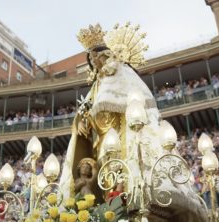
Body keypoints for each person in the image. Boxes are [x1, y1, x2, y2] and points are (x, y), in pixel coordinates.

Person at [59, 23, 161, 200]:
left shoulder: (121, 73)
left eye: (97, 56)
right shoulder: (96, 86)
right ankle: (110, 205)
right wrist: (82, 122)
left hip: (120, 131)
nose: (95, 61)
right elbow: (87, 110)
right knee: (105, 172)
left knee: (121, 168)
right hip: (100, 137)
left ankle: (126, 200)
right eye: (91, 59)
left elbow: (130, 99)